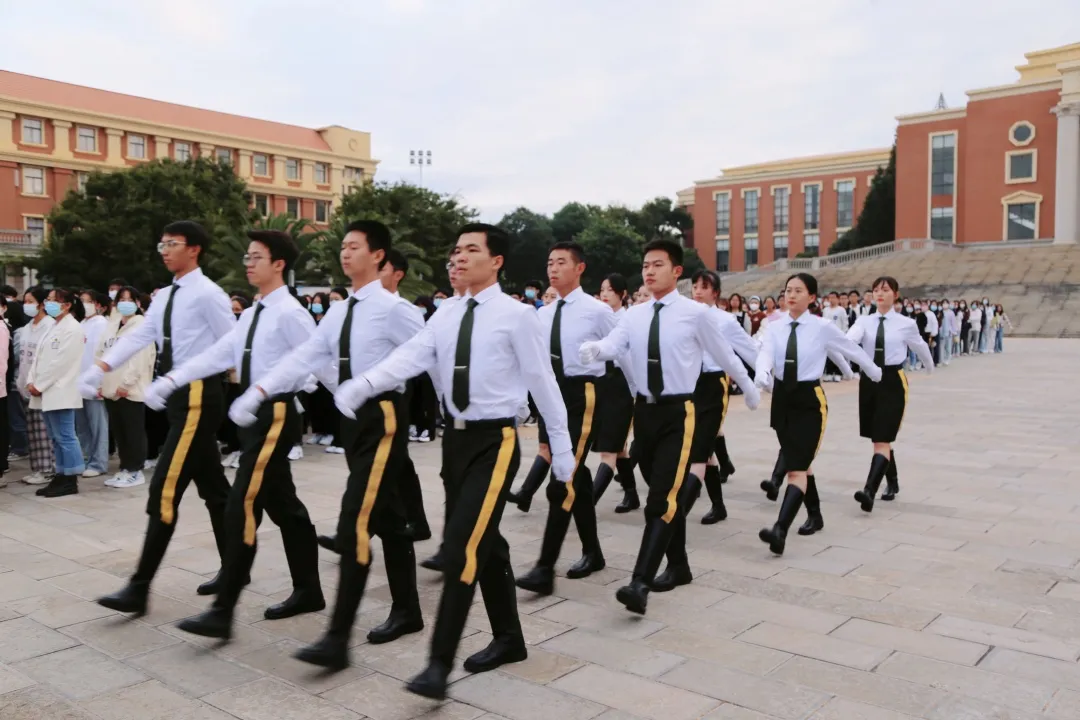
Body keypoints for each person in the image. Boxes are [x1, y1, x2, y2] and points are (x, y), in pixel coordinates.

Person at [338, 223, 574, 698]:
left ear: (496, 261)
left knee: (463, 545)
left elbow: (542, 381)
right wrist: (365, 384)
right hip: (455, 443)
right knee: (488, 543)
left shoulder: (517, 316)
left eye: (471, 250)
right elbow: (411, 356)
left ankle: (437, 665)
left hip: (495, 442)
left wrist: (563, 449)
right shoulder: (445, 314)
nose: (459, 257)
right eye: (457, 250)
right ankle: (509, 638)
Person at [233, 221, 426, 670]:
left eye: (354, 246)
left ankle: (337, 637)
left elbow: (425, 355)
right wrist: (260, 392)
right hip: (353, 418)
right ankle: (408, 609)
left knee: (355, 517)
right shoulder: (339, 312)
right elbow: (306, 357)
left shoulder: (393, 309)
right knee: (387, 517)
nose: (345, 252)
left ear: (378, 256)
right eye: (343, 246)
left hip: (384, 416)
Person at [156, 230, 326, 640]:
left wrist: (276, 392)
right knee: (283, 505)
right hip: (252, 415)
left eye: (256, 257)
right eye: (246, 256)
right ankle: (309, 590)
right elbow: (220, 354)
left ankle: (223, 609)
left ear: (279, 264)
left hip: (275, 413)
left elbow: (313, 364)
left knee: (241, 503)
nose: (248, 263)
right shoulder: (252, 314)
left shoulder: (290, 313)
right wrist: (175, 378)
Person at [580, 240, 759, 614]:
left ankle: (639, 582)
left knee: (660, 500)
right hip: (645, 414)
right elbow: (615, 344)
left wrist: (749, 385)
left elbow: (724, 353)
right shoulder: (634, 314)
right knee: (663, 495)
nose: (649, 271)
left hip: (680, 413)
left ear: (677, 271)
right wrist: (597, 349)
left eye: (657, 264)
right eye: (645, 265)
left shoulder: (696, 314)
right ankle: (679, 566)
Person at [81, 220, 236, 616]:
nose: (165, 250)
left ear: (194, 249)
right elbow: (139, 336)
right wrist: (101, 367)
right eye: (162, 244)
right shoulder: (166, 295)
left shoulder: (209, 294)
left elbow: (231, 346)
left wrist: (178, 379)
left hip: (199, 393)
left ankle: (139, 587)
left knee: (164, 490)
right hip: (178, 394)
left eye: (173, 243)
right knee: (215, 489)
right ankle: (236, 567)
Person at [754, 273, 881, 555]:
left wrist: (872, 370)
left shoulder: (822, 327)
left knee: (796, 469)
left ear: (812, 297)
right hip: (782, 399)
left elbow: (849, 349)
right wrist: (762, 372)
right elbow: (766, 352)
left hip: (809, 401)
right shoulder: (775, 327)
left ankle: (780, 530)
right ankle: (815, 514)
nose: (791, 295)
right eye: (788, 290)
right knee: (800, 462)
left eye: (798, 291)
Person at [513, 241, 613, 597]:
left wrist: (635, 394)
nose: (552, 269)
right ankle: (593, 552)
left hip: (582, 395)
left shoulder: (597, 311)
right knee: (577, 478)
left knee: (563, 476)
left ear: (579, 268)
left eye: (560, 262)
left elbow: (621, 348)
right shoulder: (542, 314)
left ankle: (545, 567)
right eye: (549, 262)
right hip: (551, 396)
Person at [847, 276, 933, 511]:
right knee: (879, 438)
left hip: (892, 380)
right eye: (876, 290)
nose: (879, 294)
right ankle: (892, 482)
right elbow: (849, 342)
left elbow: (920, 346)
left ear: (895, 294)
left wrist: (929, 366)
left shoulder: (906, 323)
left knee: (882, 439)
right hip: (869, 379)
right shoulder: (864, 321)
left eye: (885, 290)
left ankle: (869, 491)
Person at [686, 270, 759, 529]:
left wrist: (766, 381)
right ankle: (718, 505)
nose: (697, 291)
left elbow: (749, 350)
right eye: (695, 286)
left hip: (714, 384)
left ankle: (681, 509)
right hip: (690, 385)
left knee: (701, 448)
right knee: (703, 450)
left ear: (715, 293)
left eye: (704, 287)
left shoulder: (726, 321)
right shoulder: (686, 316)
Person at [27, 289, 86, 497]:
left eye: (54, 300)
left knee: (65, 436)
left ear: (67, 305)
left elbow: (61, 363)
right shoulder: (53, 326)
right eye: (48, 300)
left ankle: (71, 478)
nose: (49, 304)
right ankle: (61, 474)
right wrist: (31, 380)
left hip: (61, 388)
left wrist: (40, 385)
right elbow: (39, 357)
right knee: (55, 436)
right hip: (46, 389)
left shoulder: (73, 328)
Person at [590, 273, 640, 513]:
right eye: (602, 289)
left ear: (622, 294)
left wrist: (635, 389)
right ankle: (632, 495)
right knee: (618, 448)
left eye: (610, 290)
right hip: (602, 384)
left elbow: (629, 358)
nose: (604, 294)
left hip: (622, 386)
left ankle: (587, 503)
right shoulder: (599, 319)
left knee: (609, 449)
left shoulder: (628, 320)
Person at [100, 287, 156, 488]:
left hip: (130, 389)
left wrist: (126, 383)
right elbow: (101, 353)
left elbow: (140, 359)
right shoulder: (112, 325)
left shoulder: (142, 326)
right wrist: (99, 380)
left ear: (138, 303)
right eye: (121, 299)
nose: (125, 303)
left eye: (129, 299)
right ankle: (125, 468)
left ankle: (135, 470)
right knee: (120, 431)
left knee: (133, 431)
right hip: (110, 387)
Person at [17, 287, 56, 485]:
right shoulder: (28, 327)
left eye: (30, 301)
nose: (27, 305)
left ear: (41, 304)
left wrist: (39, 383)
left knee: (44, 430)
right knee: (33, 431)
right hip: (26, 385)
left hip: (41, 386)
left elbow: (49, 359)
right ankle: (38, 469)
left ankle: (48, 469)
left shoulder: (50, 326)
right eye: (25, 301)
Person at [77, 290, 111, 478]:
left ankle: (99, 462)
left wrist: (101, 381)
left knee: (98, 426)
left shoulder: (102, 324)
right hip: (78, 382)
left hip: (94, 383)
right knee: (82, 426)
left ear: (97, 305)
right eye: (81, 300)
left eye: (86, 301)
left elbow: (104, 355)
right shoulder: (82, 323)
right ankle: (86, 458)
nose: (83, 304)